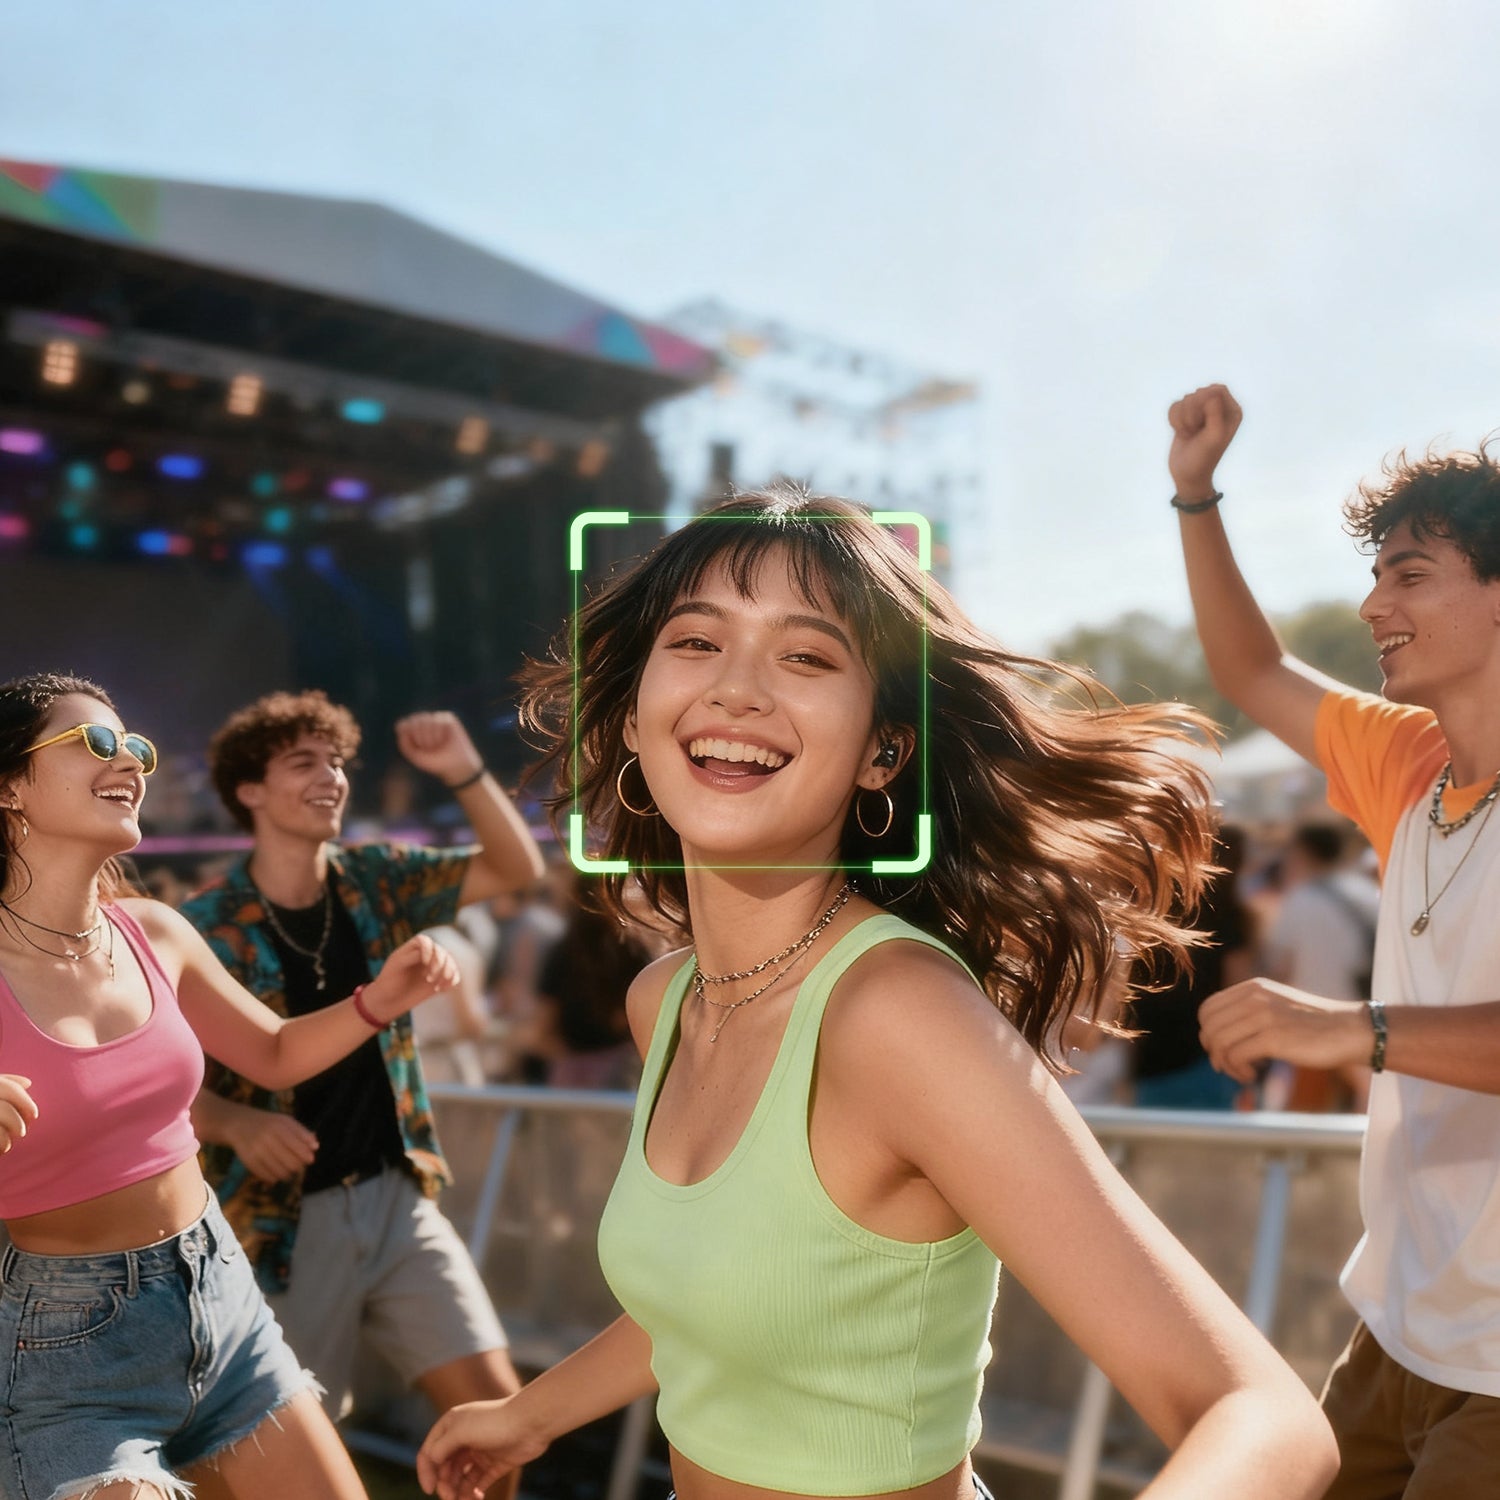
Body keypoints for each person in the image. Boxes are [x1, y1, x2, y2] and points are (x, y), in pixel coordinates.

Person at [416, 488, 1337, 1500]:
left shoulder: (896, 1012)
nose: (738, 689)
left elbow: (1266, 1418)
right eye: (695, 642)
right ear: (631, 715)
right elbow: (740, 1300)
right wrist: (527, 1415)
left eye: (806, 656)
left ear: (882, 751)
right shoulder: (666, 998)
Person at [0, 672, 462, 1500]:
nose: (131, 762)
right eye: (96, 743)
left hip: (222, 1296)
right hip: (62, 1356)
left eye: (135, 746)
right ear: (9, 787)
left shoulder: (155, 932)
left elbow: (277, 1052)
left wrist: (376, 1002)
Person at [1167, 384, 1500, 1496]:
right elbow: (1253, 673)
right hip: (1392, 1333)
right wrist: (1195, 496)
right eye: (1376, 574)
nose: (1371, 605)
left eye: (1410, 574)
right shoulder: (1412, 760)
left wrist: (1351, 1030)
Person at [178, 691, 544, 1487]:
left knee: (498, 1427)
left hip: (397, 1198)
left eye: (338, 762)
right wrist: (234, 1119)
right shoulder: (205, 925)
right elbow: (154, 1077)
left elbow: (519, 868)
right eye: (303, 762)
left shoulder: (376, 879)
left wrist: (463, 770)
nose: (332, 778)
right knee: (247, 1462)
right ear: (249, 790)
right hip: (280, 1230)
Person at [1128, 826, 1258, 1109]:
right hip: (1207, 1055)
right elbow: (1239, 989)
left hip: (1149, 1053)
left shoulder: (1154, 908)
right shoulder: (1230, 915)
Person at [1261, 823, 1379, 1111]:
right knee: (1362, 1113)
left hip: (1310, 1022)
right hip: (1368, 1020)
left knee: (1306, 1118)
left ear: (1302, 852)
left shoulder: (1300, 899)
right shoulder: (1368, 893)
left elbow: (1281, 969)